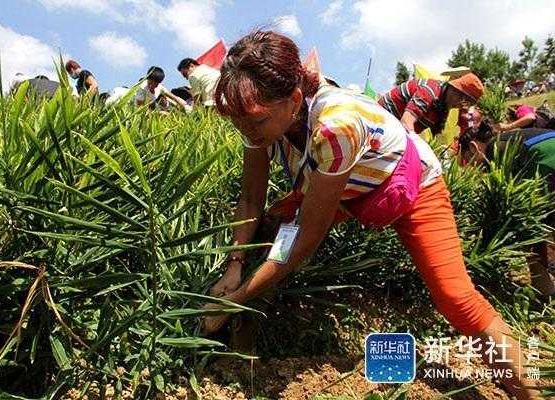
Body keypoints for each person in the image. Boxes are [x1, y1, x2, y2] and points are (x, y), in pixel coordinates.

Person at [202, 30, 539, 400]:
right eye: (239, 123)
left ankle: (529, 390)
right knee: (268, 227)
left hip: (411, 186)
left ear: (295, 98)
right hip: (343, 187)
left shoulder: (336, 126)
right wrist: (234, 264)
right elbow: (251, 197)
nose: (247, 131)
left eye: (256, 122)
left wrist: (234, 298)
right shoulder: (257, 117)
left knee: (455, 298)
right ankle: (241, 349)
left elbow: (304, 240)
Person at [459, 123, 555, 297]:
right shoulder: (510, 138)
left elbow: (516, 206)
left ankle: (545, 289)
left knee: (526, 229)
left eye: (466, 160)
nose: (472, 168)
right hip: (547, 161)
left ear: (473, 148)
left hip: (548, 165)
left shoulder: (494, 150)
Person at [378, 73, 484, 136]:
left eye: (467, 104)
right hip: (380, 122)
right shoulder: (429, 92)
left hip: (394, 131)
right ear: (455, 89)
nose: (462, 106)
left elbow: (437, 137)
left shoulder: (443, 107)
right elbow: (406, 122)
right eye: (463, 100)